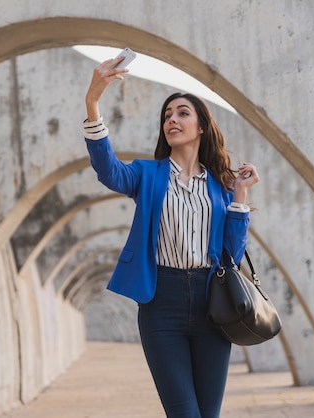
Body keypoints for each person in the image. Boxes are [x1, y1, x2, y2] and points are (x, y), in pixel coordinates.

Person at [82, 54, 260, 418]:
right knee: (184, 413)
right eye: (167, 116)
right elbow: (108, 171)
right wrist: (92, 103)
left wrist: (240, 196)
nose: (172, 120)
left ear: (201, 127)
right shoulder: (147, 175)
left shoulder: (222, 186)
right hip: (161, 303)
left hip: (213, 306)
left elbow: (231, 252)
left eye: (182, 113)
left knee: (207, 415)